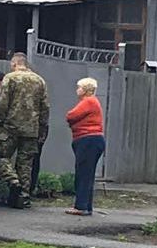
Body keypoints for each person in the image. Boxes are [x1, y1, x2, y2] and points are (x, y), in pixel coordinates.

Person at [0, 52, 49, 209]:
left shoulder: (10, 78)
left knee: (0, 156)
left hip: (10, 127)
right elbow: (45, 107)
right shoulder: (40, 81)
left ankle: (13, 181)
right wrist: (42, 128)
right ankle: (23, 198)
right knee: (25, 164)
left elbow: (2, 102)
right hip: (31, 129)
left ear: (14, 64)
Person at [65, 77, 105, 216]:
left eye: (79, 87)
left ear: (86, 89)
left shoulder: (88, 101)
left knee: (83, 173)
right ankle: (86, 206)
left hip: (88, 140)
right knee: (87, 174)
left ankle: (81, 206)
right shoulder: (92, 102)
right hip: (92, 140)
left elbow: (71, 115)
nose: (77, 89)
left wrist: (72, 122)